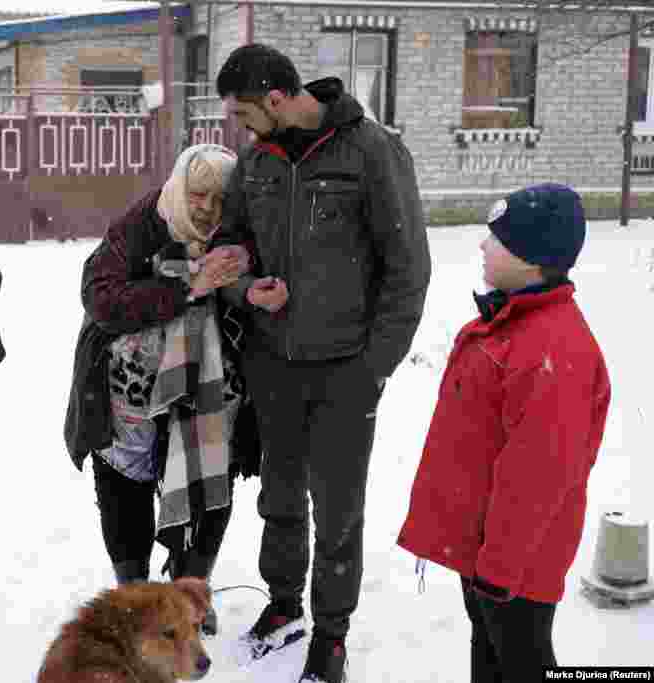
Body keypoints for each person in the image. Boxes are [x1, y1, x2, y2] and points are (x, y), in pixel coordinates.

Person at [211, 44, 432, 682]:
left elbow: (409, 268)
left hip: (345, 371)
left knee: (338, 509)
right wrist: (245, 286)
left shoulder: (371, 151)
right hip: (273, 363)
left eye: (244, 113)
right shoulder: (256, 162)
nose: (240, 129)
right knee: (279, 497)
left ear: (276, 100)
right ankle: (283, 606)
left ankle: (330, 637)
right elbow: (232, 243)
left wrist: (375, 367)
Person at [397, 183, 611, 683]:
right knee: (490, 653)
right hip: (490, 553)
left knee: (522, 662)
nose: (481, 245)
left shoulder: (552, 349)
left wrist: (499, 568)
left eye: (497, 239)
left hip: (515, 565)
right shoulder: (514, 324)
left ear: (532, 257)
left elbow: (538, 477)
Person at [63, 143, 262, 634]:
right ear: (179, 187)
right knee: (125, 480)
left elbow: (255, 288)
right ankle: (134, 592)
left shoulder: (238, 230)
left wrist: (246, 282)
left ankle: (192, 587)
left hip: (212, 384)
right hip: (127, 386)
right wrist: (187, 287)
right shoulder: (143, 222)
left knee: (209, 477)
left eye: (219, 201)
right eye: (198, 196)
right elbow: (100, 296)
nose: (206, 211)